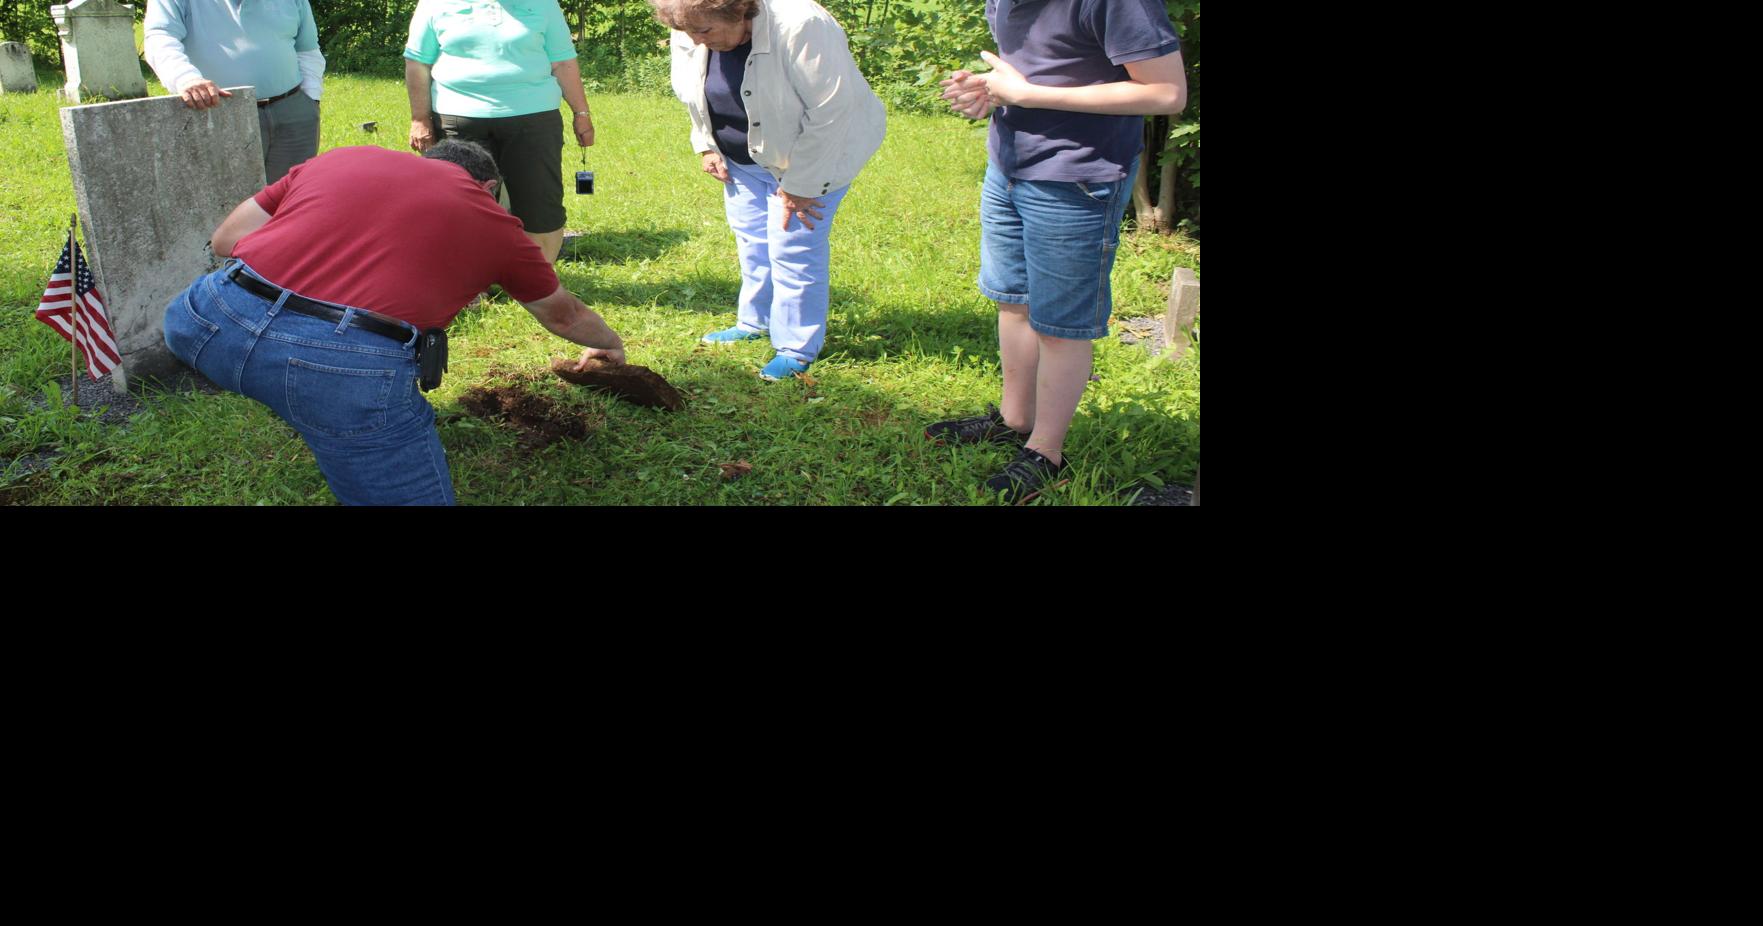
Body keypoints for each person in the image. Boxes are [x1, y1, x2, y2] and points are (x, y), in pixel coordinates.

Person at [160, 141, 627, 506]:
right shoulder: (492, 220)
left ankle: (293, 398)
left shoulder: (342, 158)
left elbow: (226, 240)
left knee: (287, 379)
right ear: (487, 187)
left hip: (201, 322)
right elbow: (563, 315)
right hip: (337, 368)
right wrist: (609, 342)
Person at [927, 0, 1187, 502]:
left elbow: (1167, 91)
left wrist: (1028, 94)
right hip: (1008, 165)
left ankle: (1046, 451)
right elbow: (1043, 68)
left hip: (1077, 178)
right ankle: (1014, 420)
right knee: (1012, 299)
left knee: (1060, 325)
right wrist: (991, 90)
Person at [651, 0, 885, 381]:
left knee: (793, 248)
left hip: (815, 155)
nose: (695, 40)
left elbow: (832, 111)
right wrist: (707, 144)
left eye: (704, 31)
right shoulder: (690, 23)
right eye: (687, 32)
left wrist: (802, 186)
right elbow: (692, 89)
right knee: (752, 241)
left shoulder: (801, 25)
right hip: (742, 158)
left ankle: (795, 347)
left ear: (739, 11)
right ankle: (754, 321)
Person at [404, 0, 594, 264]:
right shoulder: (434, 4)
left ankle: (537, 280)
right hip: (457, 120)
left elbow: (563, 62)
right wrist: (420, 119)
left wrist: (581, 114)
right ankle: (469, 280)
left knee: (540, 208)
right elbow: (417, 62)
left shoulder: (544, 4)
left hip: (534, 120)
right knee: (459, 209)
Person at [143, 0, 326, 183]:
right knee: (229, 194)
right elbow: (160, 38)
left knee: (295, 192)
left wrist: (311, 100)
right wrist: (186, 78)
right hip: (216, 111)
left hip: (293, 111)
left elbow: (307, 50)